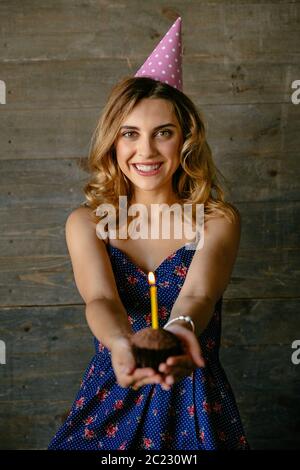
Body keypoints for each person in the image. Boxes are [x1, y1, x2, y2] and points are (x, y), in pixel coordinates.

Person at [48, 18, 249, 450]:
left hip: (194, 399)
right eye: (130, 134)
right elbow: (100, 300)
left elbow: (199, 295)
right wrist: (122, 344)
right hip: (112, 390)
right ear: (113, 143)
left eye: (163, 133)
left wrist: (177, 333)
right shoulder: (87, 224)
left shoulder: (216, 220)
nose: (146, 151)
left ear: (186, 140)